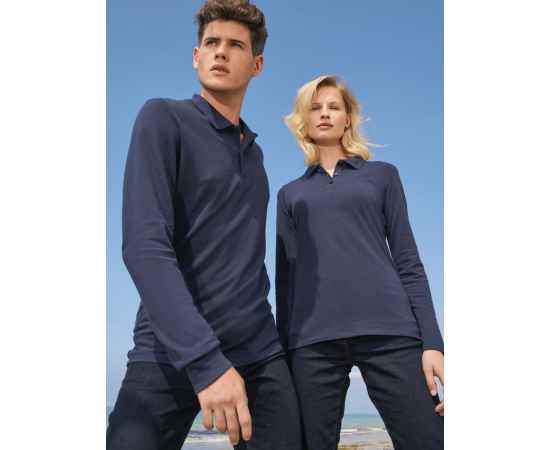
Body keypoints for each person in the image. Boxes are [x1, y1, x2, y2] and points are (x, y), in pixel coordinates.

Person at [107, 1, 302, 449]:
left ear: (257, 65)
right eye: (211, 42)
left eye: (236, 45)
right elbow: (143, 246)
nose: (221, 52)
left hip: (258, 352)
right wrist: (205, 361)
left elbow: (249, 260)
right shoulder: (162, 118)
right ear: (196, 56)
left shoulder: (256, 157)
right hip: (169, 348)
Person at [276, 75, 444, 450]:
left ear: (348, 118)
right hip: (313, 343)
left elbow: (408, 261)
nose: (324, 114)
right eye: (315, 108)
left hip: (390, 331)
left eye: (333, 107)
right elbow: (286, 281)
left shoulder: (382, 176)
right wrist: (285, 356)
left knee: (429, 438)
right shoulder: (290, 194)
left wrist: (433, 343)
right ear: (303, 120)